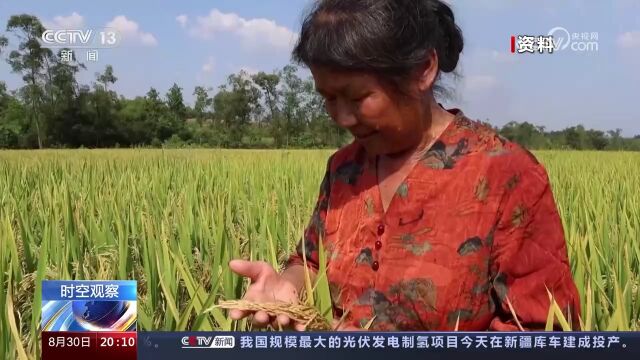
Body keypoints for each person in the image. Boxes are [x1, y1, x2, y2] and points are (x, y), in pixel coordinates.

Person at [228, 0, 581, 331]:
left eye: (357, 98)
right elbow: (311, 261)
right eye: (328, 98)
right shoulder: (344, 169)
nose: (342, 117)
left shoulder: (504, 175)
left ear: (423, 71)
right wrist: (287, 285)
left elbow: (542, 329)